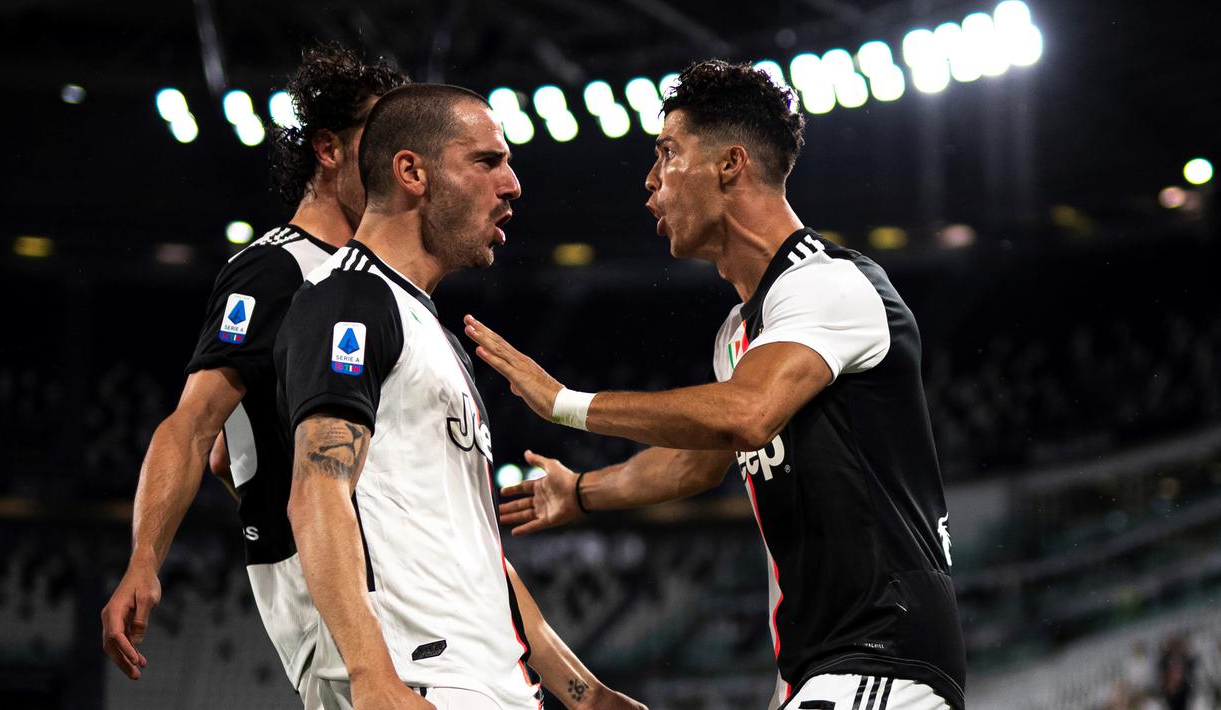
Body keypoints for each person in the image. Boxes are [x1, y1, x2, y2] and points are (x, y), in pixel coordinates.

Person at [463, 60, 967, 710]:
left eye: (666, 154)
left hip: (883, 657)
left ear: (730, 165)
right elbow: (694, 464)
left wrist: (567, 404)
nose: (649, 181)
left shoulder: (829, 285)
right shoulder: (739, 329)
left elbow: (746, 414)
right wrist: (583, 493)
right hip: (825, 671)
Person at [274, 83, 646, 710]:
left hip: (487, 682)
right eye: (487, 161)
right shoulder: (350, 300)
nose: (513, 184)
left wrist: (586, 696)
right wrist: (372, 678)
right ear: (412, 171)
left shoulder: (433, 332)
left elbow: (479, 551)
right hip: (423, 680)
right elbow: (317, 488)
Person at [100, 43, 407, 708]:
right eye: (377, 142)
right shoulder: (274, 271)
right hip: (326, 574)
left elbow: (220, 457)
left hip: (375, 565)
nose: (395, 161)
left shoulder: (365, 274)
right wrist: (144, 557)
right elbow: (193, 425)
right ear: (328, 150)